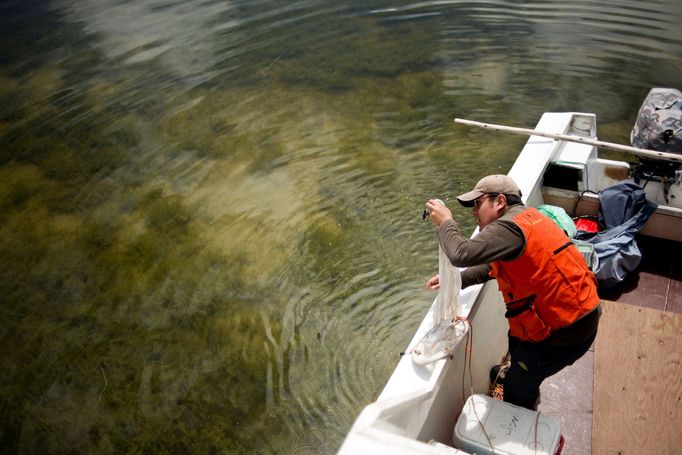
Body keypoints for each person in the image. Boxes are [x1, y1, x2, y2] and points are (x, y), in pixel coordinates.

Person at [424, 174, 600, 410]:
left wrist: (445, 222)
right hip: (581, 316)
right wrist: (455, 281)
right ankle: (520, 368)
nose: (473, 212)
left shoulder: (509, 227)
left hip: (566, 332)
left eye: (477, 204)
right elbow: (491, 268)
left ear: (499, 202)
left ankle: (520, 419)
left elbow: (461, 254)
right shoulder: (528, 219)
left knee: (517, 389)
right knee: (516, 341)